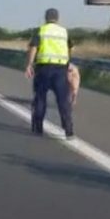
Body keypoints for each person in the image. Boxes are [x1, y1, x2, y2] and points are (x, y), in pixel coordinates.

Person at [24, 8, 74, 139]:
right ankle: (69, 130)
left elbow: (33, 47)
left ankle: (38, 128)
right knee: (63, 101)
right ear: (58, 18)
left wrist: (29, 65)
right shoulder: (64, 32)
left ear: (46, 18)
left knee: (40, 98)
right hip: (61, 69)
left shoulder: (41, 30)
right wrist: (68, 63)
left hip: (43, 69)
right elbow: (70, 48)